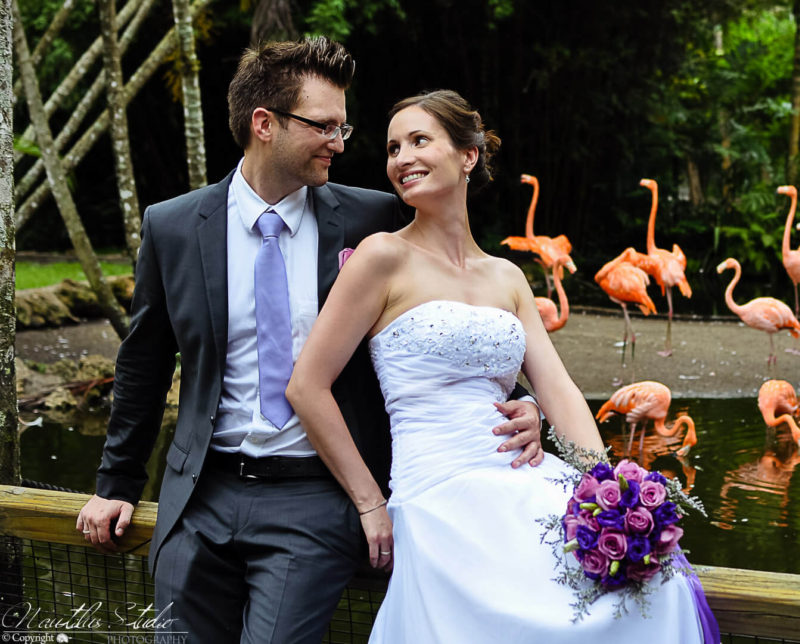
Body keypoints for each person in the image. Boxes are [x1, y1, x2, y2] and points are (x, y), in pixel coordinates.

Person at [75, 39, 543, 641]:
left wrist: (526, 402)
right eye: (324, 126)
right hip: (197, 497)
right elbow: (143, 363)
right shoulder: (172, 227)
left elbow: (457, 313)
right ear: (264, 124)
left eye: (343, 126)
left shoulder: (371, 220)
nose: (341, 143)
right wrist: (116, 486)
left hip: (315, 498)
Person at [286, 90, 715, 642]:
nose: (401, 158)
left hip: (525, 478)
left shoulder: (508, 277)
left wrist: (609, 489)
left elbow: (557, 388)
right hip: (438, 493)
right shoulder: (381, 258)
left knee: (653, 583)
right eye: (393, 147)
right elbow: (307, 386)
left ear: (468, 156)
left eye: (420, 140)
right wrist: (371, 503)